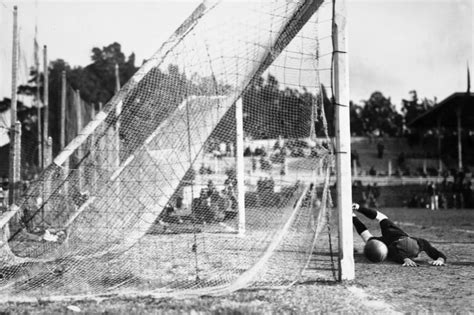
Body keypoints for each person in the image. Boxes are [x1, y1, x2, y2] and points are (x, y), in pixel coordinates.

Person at [352, 203, 446, 267]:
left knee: (368, 236)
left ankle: (353, 214)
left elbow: (437, 253)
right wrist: (405, 259)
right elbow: (397, 254)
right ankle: (357, 209)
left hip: (392, 238)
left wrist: (440, 260)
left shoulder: (419, 244)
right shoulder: (419, 243)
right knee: (379, 221)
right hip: (395, 234)